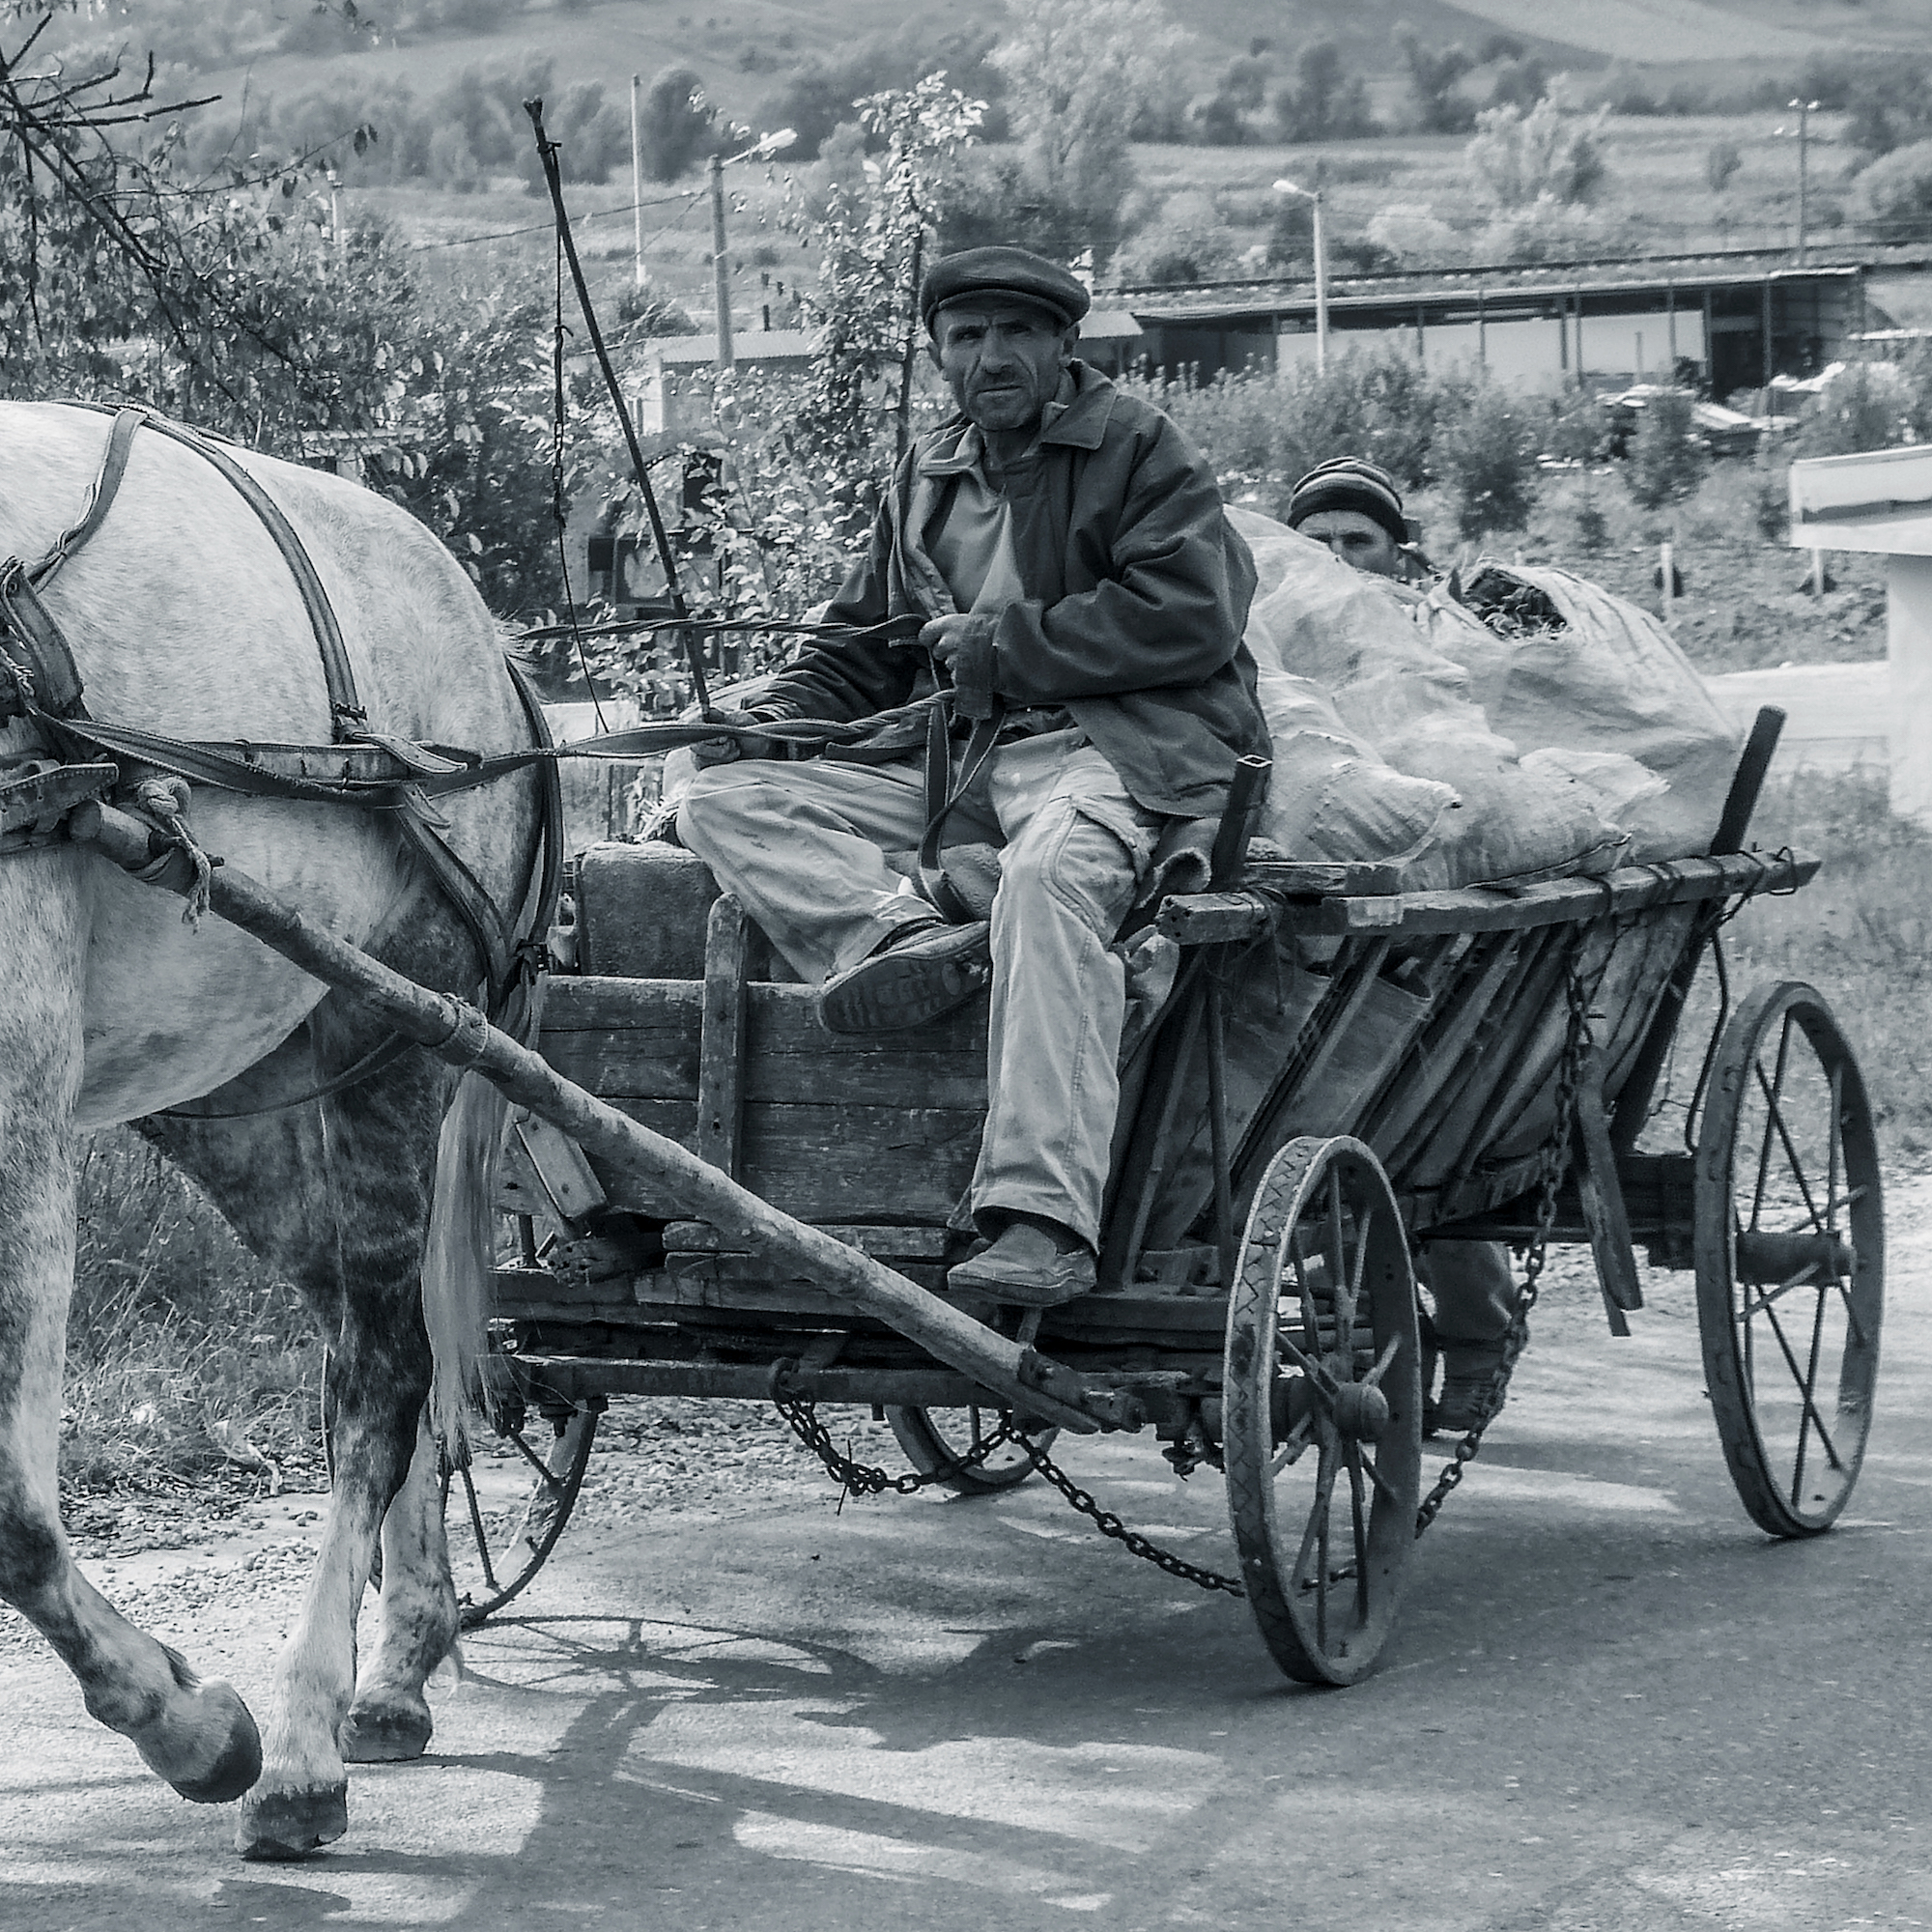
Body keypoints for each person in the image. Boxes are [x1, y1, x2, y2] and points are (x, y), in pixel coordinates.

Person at [678, 244, 1266, 1308]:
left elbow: (1194, 614)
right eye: (966, 336)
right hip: (959, 768)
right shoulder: (924, 474)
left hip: (1117, 750)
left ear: (1062, 344)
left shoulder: (1141, 447)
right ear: (939, 353)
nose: (990, 356)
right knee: (713, 794)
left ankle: (1042, 1218)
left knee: (1048, 880)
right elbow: (859, 651)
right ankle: (891, 936)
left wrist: (1007, 647)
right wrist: (764, 721)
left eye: (1016, 333)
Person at [1286, 454, 1516, 1433]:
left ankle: (1477, 1329)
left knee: (1434, 1128)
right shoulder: (1264, 631)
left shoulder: (1434, 638)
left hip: (1438, 930)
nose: (1338, 557)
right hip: (1310, 924)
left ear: (1397, 552)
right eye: (1317, 541)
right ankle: (1341, 1321)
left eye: (1358, 540)